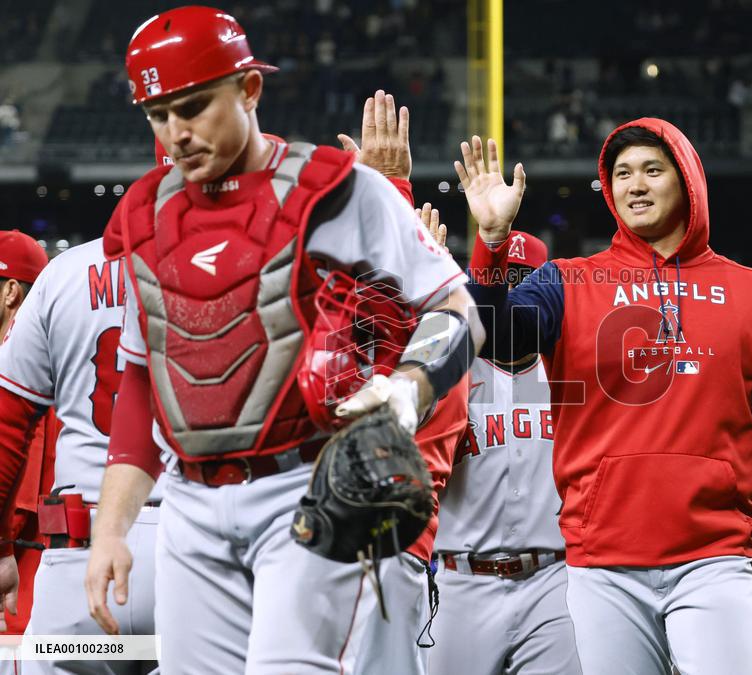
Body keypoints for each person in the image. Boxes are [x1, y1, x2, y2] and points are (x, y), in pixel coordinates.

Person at [462, 121, 752, 674]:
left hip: (715, 561)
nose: (634, 185)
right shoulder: (566, 282)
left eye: (652, 170)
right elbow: (497, 343)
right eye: (621, 174)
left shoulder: (751, 292)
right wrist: (492, 247)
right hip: (601, 568)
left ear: (688, 180)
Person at [83, 7, 482, 674]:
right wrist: (110, 529)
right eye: (158, 114)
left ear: (249, 89)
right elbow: (139, 384)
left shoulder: (337, 189)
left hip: (303, 489)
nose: (176, 134)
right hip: (187, 503)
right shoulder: (145, 215)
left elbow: (457, 309)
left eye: (194, 106)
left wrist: (410, 391)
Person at [336, 88, 472, 675]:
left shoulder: (444, 346)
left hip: (383, 549)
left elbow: (385, 339)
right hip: (322, 548)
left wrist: (386, 193)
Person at [425, 211, 582, 675]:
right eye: (498, 281)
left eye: (523, 282)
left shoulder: (570, 370)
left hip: (555, 582)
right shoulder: (450, 368)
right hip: (461, 583)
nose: (507, 294)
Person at [0, 232, 162, 675]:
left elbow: (7, 425)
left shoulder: (66, 271)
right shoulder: (247, 266)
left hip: (80, 547)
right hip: (193, 547)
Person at [0, 229, 53, 645]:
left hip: (21, 592)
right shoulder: (54, 354)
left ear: (10, 292)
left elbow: (18, 502)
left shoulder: (20, 370)